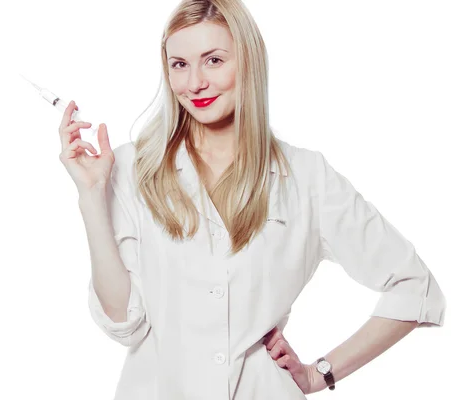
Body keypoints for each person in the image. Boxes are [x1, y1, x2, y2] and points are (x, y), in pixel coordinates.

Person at [58, 0, 446, 398]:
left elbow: (416, 287)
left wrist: (319, 374)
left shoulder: (307, 177)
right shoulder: (132, 168)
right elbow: (124, 322)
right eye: (179, 64)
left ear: (248, 61)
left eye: (213, 60)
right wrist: (91, 195)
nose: (194, 83)